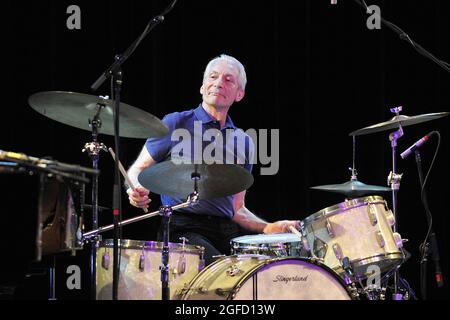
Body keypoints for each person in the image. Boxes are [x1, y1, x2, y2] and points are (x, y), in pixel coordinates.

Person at [126, 54, 299, 265]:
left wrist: (267, 227)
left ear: (239, 94)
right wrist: (135, 189)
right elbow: (137, 170)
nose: (218, 83)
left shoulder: (244, 141)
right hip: (183, 228)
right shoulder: (175, 123)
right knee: (223, 270)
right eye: (213, 77)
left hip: (225, 231)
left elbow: (237, 208)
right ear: (202, 87)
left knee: (259, 271)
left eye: (228, 80)